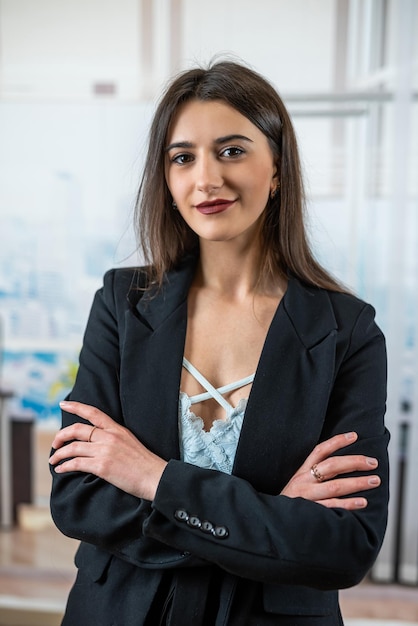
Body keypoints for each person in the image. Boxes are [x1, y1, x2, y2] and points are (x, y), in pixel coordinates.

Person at [49, 60, 389, 626]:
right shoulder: (121, 303)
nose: (206, 178)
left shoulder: (346, 332)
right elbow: (78, 498)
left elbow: (344, 544)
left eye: (232, 150)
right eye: (183, 157)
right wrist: (267, 521)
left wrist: (149, 477)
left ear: (276, 167)